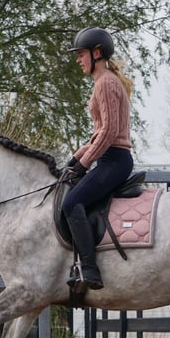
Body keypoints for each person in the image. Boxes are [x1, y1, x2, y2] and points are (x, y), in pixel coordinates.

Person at [62, 27, 134, 291]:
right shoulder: (104, 82)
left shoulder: (105, 82)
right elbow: (97, 134)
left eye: (81, 54)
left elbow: (109, 132)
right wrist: (74, 159)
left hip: (114, 160)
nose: (78, 60)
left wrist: (84, 164)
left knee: (72, 202)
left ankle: (90, 270)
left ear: (97, 53)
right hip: (109, 157)